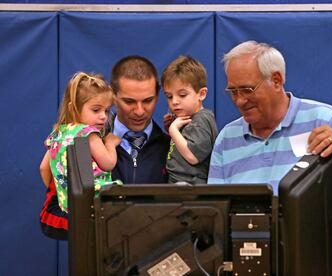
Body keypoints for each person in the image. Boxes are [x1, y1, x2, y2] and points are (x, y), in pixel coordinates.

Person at [207, 41, 332, 276]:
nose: (239, 100)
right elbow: (215, 217)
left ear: (277, 81)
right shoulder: (226, 139)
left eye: (247, 90)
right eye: (233, 91)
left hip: (325, 265)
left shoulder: (327, 120)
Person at [39, 72, 121, 239]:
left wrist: (63, 188)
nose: (103, 116)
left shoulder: (58, 134)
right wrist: (110, 144)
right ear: (73, 108)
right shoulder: (89, 133)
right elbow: (109, 163)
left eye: (106, 110)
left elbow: (43, 168)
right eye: (96, 110)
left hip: (67, 205)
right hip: (95, 201)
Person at [108, 55, 170, 183]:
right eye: (129, 101)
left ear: (158, 95)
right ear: (112, 95)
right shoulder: (90, 144)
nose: (139, 111)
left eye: (148, 101)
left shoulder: (174, 148)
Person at [161, 55, 218, 184]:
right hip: (176, 183)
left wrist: (173, 130)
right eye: (169, 96)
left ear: (201, 94)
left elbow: (193, 156)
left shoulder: (202, 120)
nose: (174, 102)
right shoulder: (186, 119)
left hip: (191, 187)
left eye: (182, 95)